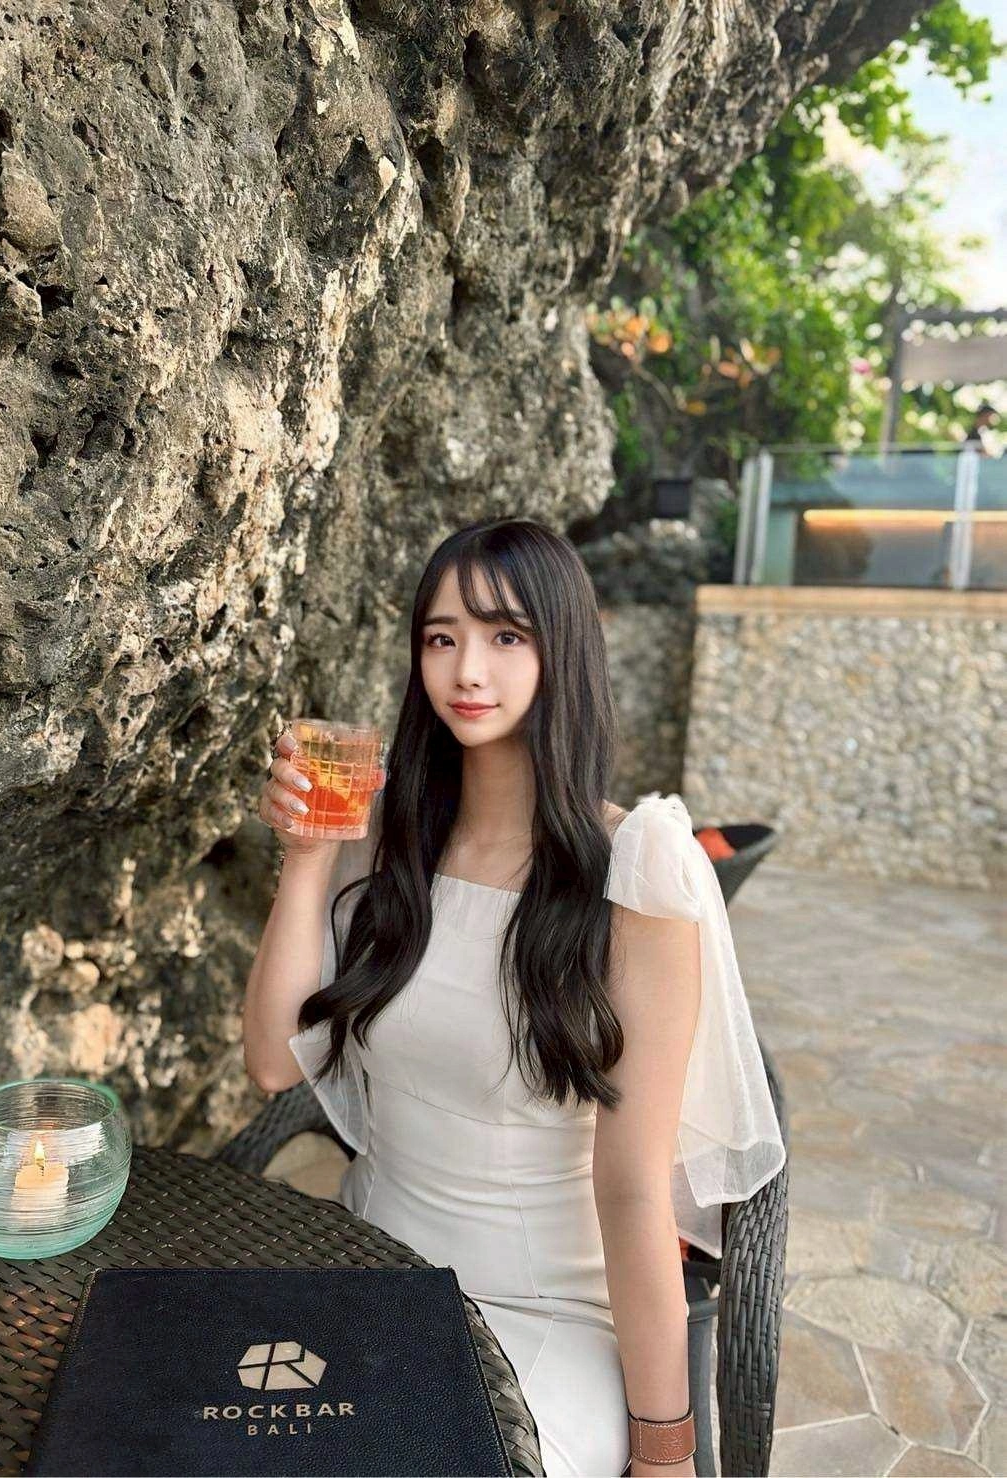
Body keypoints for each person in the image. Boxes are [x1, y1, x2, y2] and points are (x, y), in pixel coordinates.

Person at [243, 517, 786, 1477]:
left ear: (560, 649)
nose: (467, 670)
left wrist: (665, 1450)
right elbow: (271, 1062)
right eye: (441, 637)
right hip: (367, 1271)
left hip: (542, 1316)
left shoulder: (639, 873)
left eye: (505, 635)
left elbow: (633, 1188)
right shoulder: (394, 842)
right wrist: (307, 860)